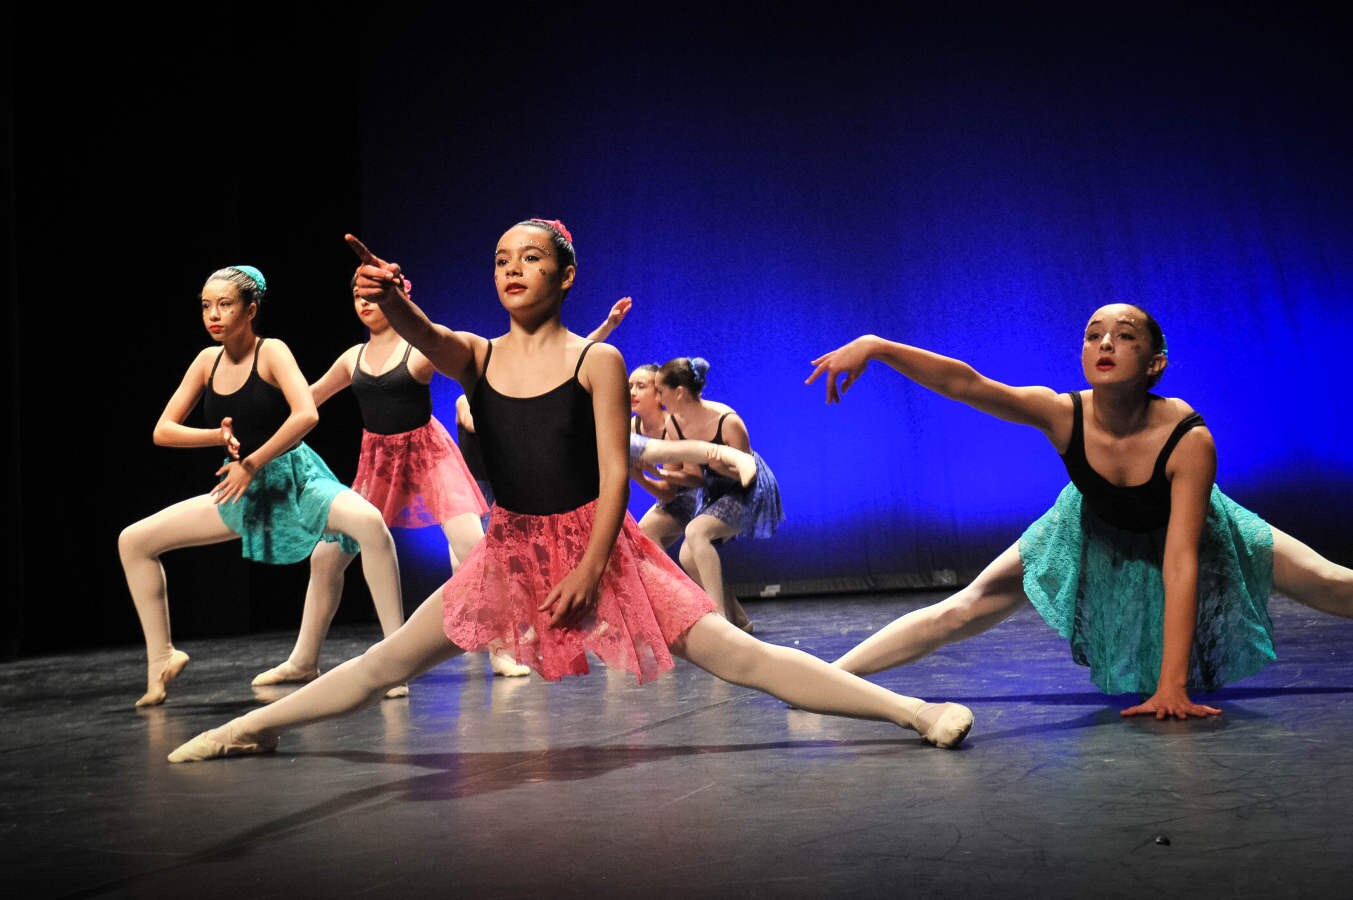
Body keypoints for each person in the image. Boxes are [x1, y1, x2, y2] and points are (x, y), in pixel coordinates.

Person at [167, 220, 971, 762]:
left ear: (566, 273)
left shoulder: (596, 362)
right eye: (500, 261)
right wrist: (390, 297)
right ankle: (252, 728)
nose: (513, 270)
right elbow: (424, 336)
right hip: (512, 550)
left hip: (598, 545)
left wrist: (590, 568)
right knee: (387, 661)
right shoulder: (476, 357)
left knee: (740, 657)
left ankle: (912, 712)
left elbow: (616, 476)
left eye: (530, 258)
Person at [806, 305, 1353, 719]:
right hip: (1088, 526)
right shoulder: (1063, 413)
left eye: (1124, 336)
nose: (1105, 343)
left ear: (1155, 364)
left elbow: (1181, 559)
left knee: (1330, 584)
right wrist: (876, 346)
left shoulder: (1188, 438)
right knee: (966, 606)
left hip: (1196, 532)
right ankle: (823, 679)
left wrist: (1172, 686)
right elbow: (966, 383)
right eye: (1093, 335)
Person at [117, 266, 403, 708]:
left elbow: (306, 414)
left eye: (225, 304)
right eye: (207, 305)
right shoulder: (204, 362)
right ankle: (162, 658)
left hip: (296, 479)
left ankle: (395, 658)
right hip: (244, 492)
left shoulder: (272, 352)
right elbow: (163, 430)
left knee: (369, 524)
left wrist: (251, 461)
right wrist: (215, 438)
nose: (214, 314)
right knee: (133, 540)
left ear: (250, 310)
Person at [251, 275, 529, 686]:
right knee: (326, 557)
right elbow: (307, 401)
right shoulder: (353, 358)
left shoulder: (416, 352)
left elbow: (467, 365)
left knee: (472, 545)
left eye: (373, 297)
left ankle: (501, 648)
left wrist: (478, 401)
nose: (364, 304)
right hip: (378, 463)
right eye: (357, 297)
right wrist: (261, 426)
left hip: (427, 454)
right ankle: (303, 659)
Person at [653, 357, 783, 630]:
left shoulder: (727, 420)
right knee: (688, 556)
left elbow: (748, 473)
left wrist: (721, 465)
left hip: (746, 490)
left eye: (661, 391)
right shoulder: (676, 425)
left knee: (696, 532)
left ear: (678, 392)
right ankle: (740, 622)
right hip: (714, 490)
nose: (659, 398)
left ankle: (720, 619)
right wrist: (663, 474)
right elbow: (694, 475)